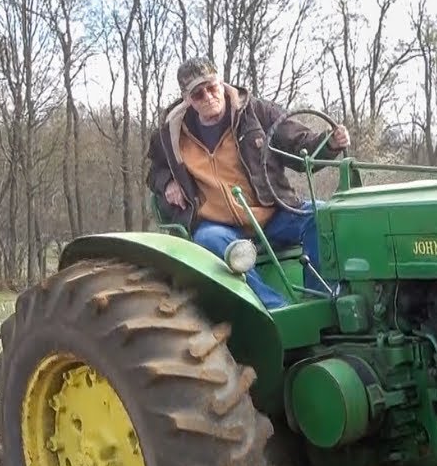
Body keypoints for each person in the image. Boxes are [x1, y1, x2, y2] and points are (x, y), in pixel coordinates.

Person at [146, 57, 349, 309]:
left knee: (321, 215)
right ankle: (274, 310)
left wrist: (329, 143)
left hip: (271, 213)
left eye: (212, 87)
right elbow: (155, 169)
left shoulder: (256, 113)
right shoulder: (171, 133)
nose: (208, 96)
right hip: (218, 225)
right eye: (198, 94)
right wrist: (167, 183)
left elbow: (300, 146)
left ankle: (321, 300)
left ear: (221, 82)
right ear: (187, 99)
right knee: (208, 240)